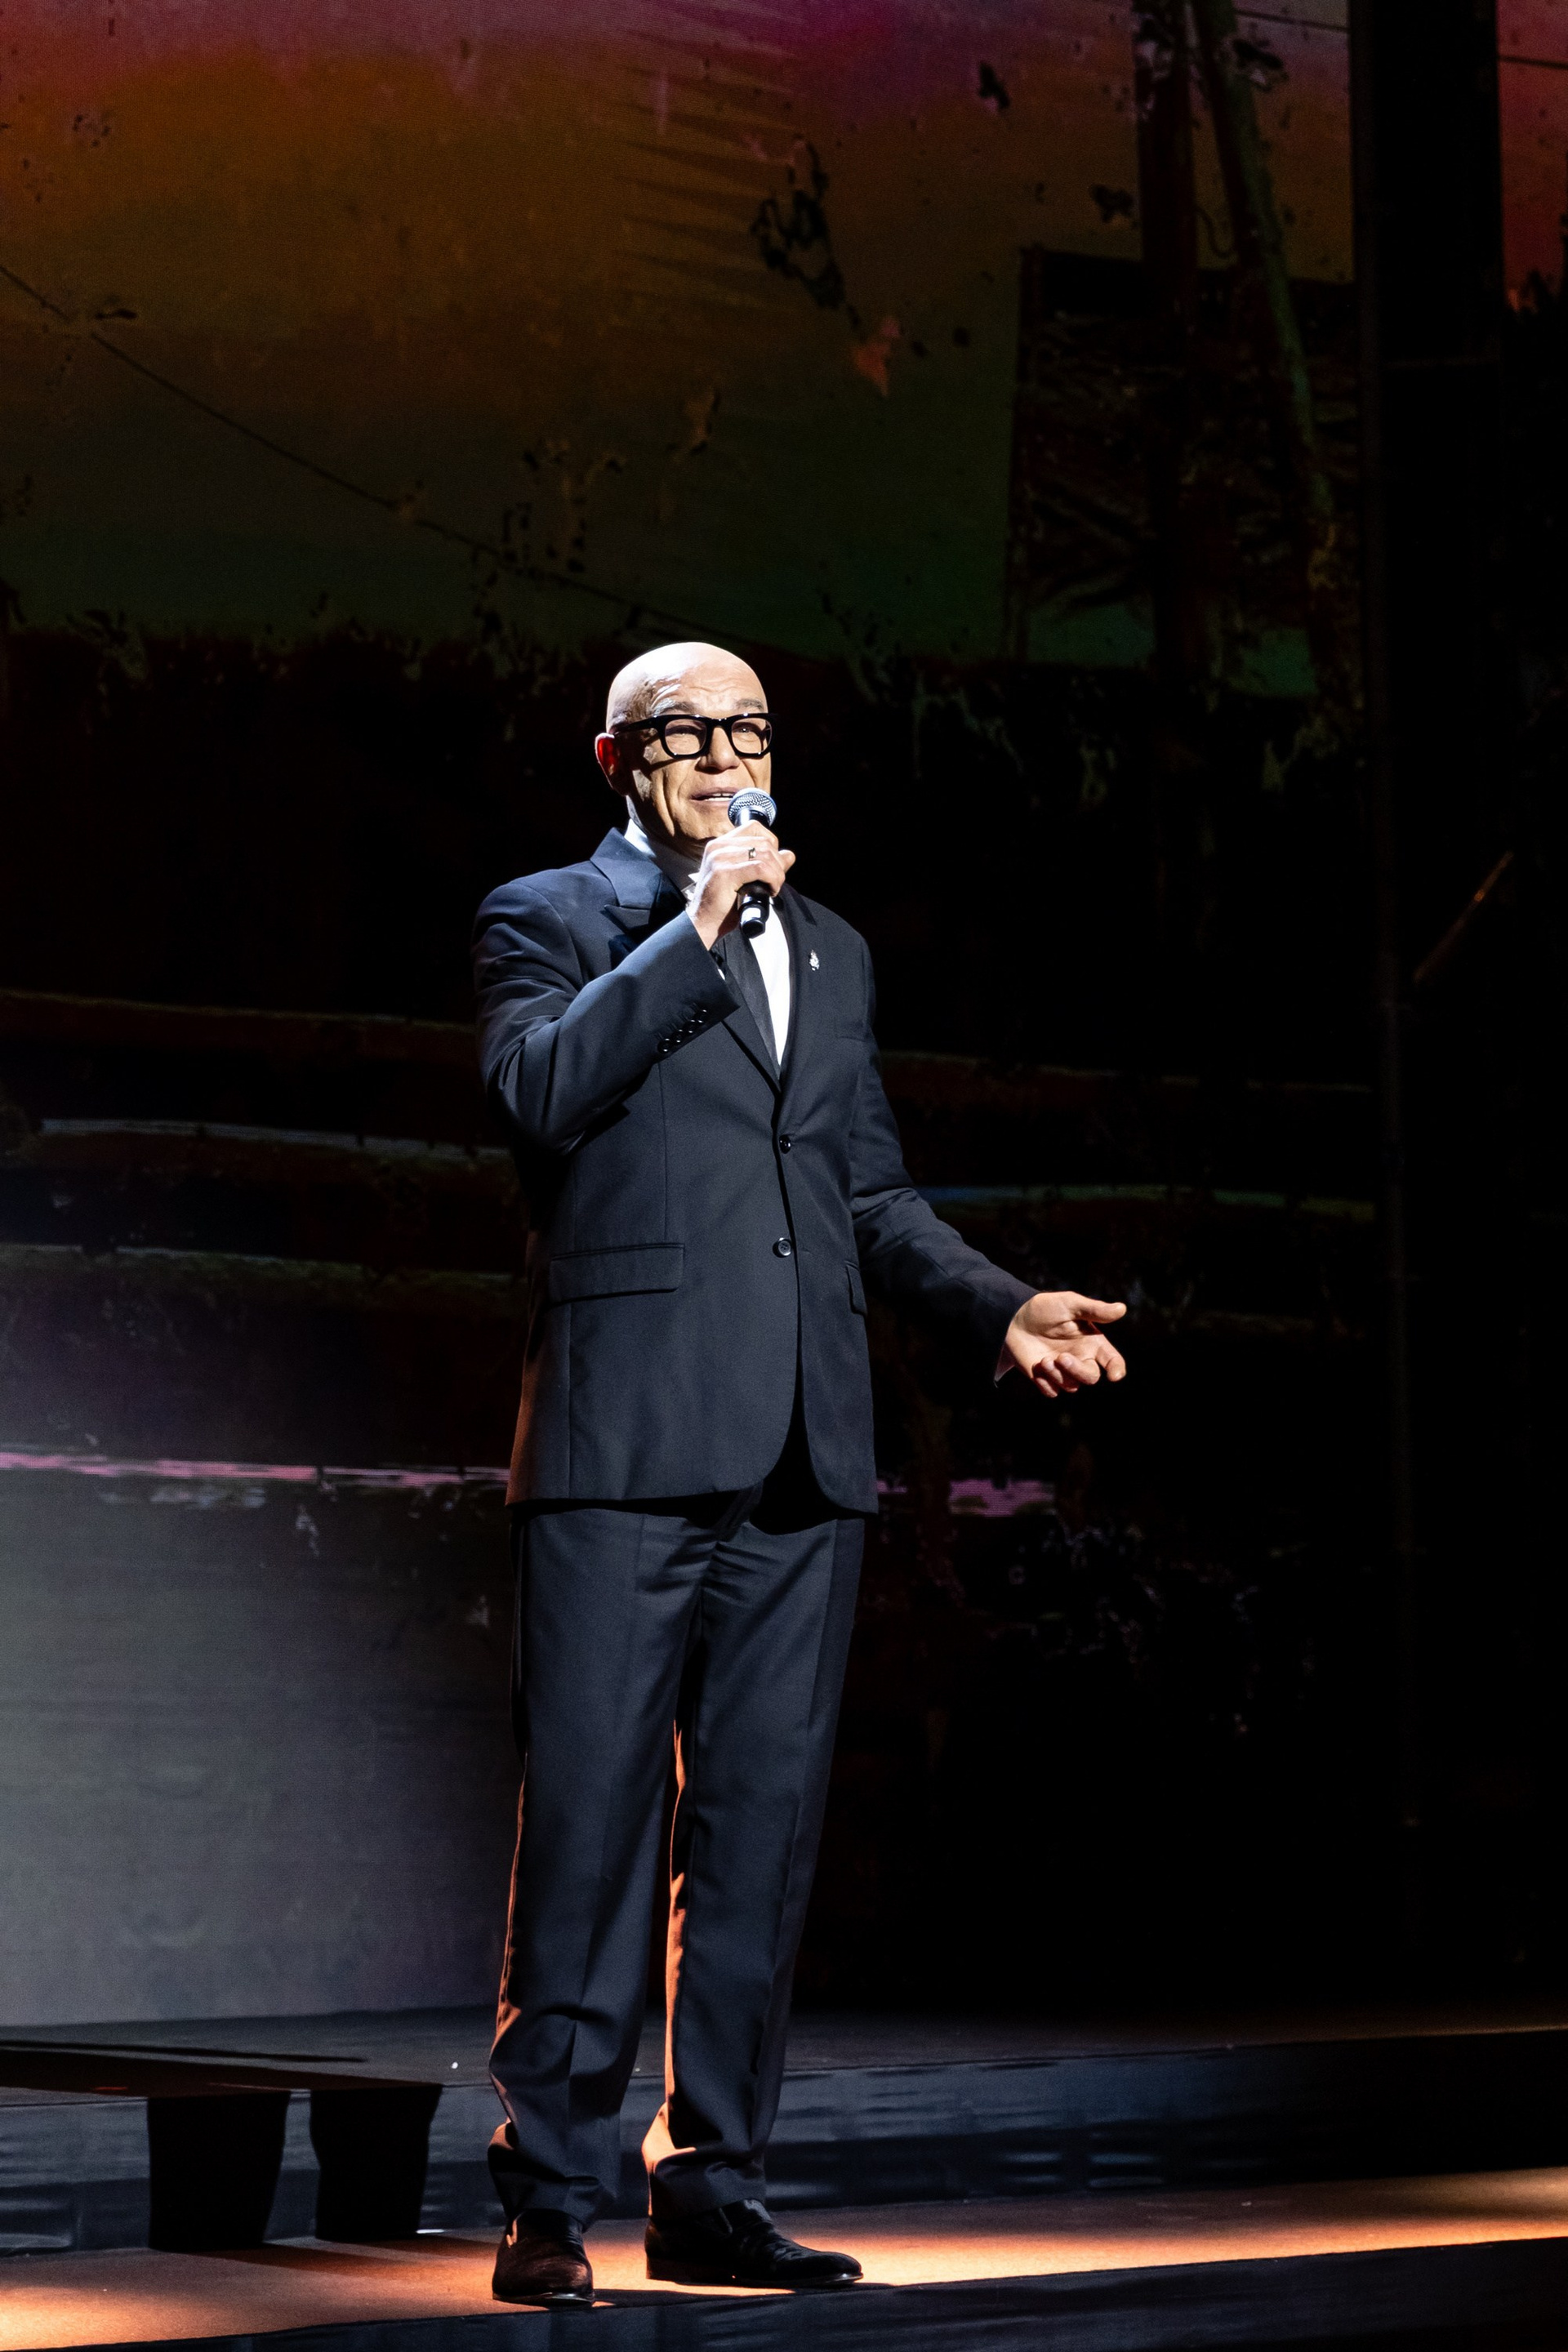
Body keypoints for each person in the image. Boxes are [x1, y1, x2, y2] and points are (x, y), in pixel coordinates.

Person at [470, 641, 1127, 2306]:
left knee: (755, 1836)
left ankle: (716, 2186)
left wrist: (998, 1308)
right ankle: (551, 2193)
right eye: (686, 733)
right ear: (616, 759)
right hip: (624, 1444)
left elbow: (865, 1190)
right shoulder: (553, 917)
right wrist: (692, 934)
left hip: (799, 1447)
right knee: (593, 1826)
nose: (725, 757)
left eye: (749, 729)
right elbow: (539, 1092)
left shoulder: (828, 949)